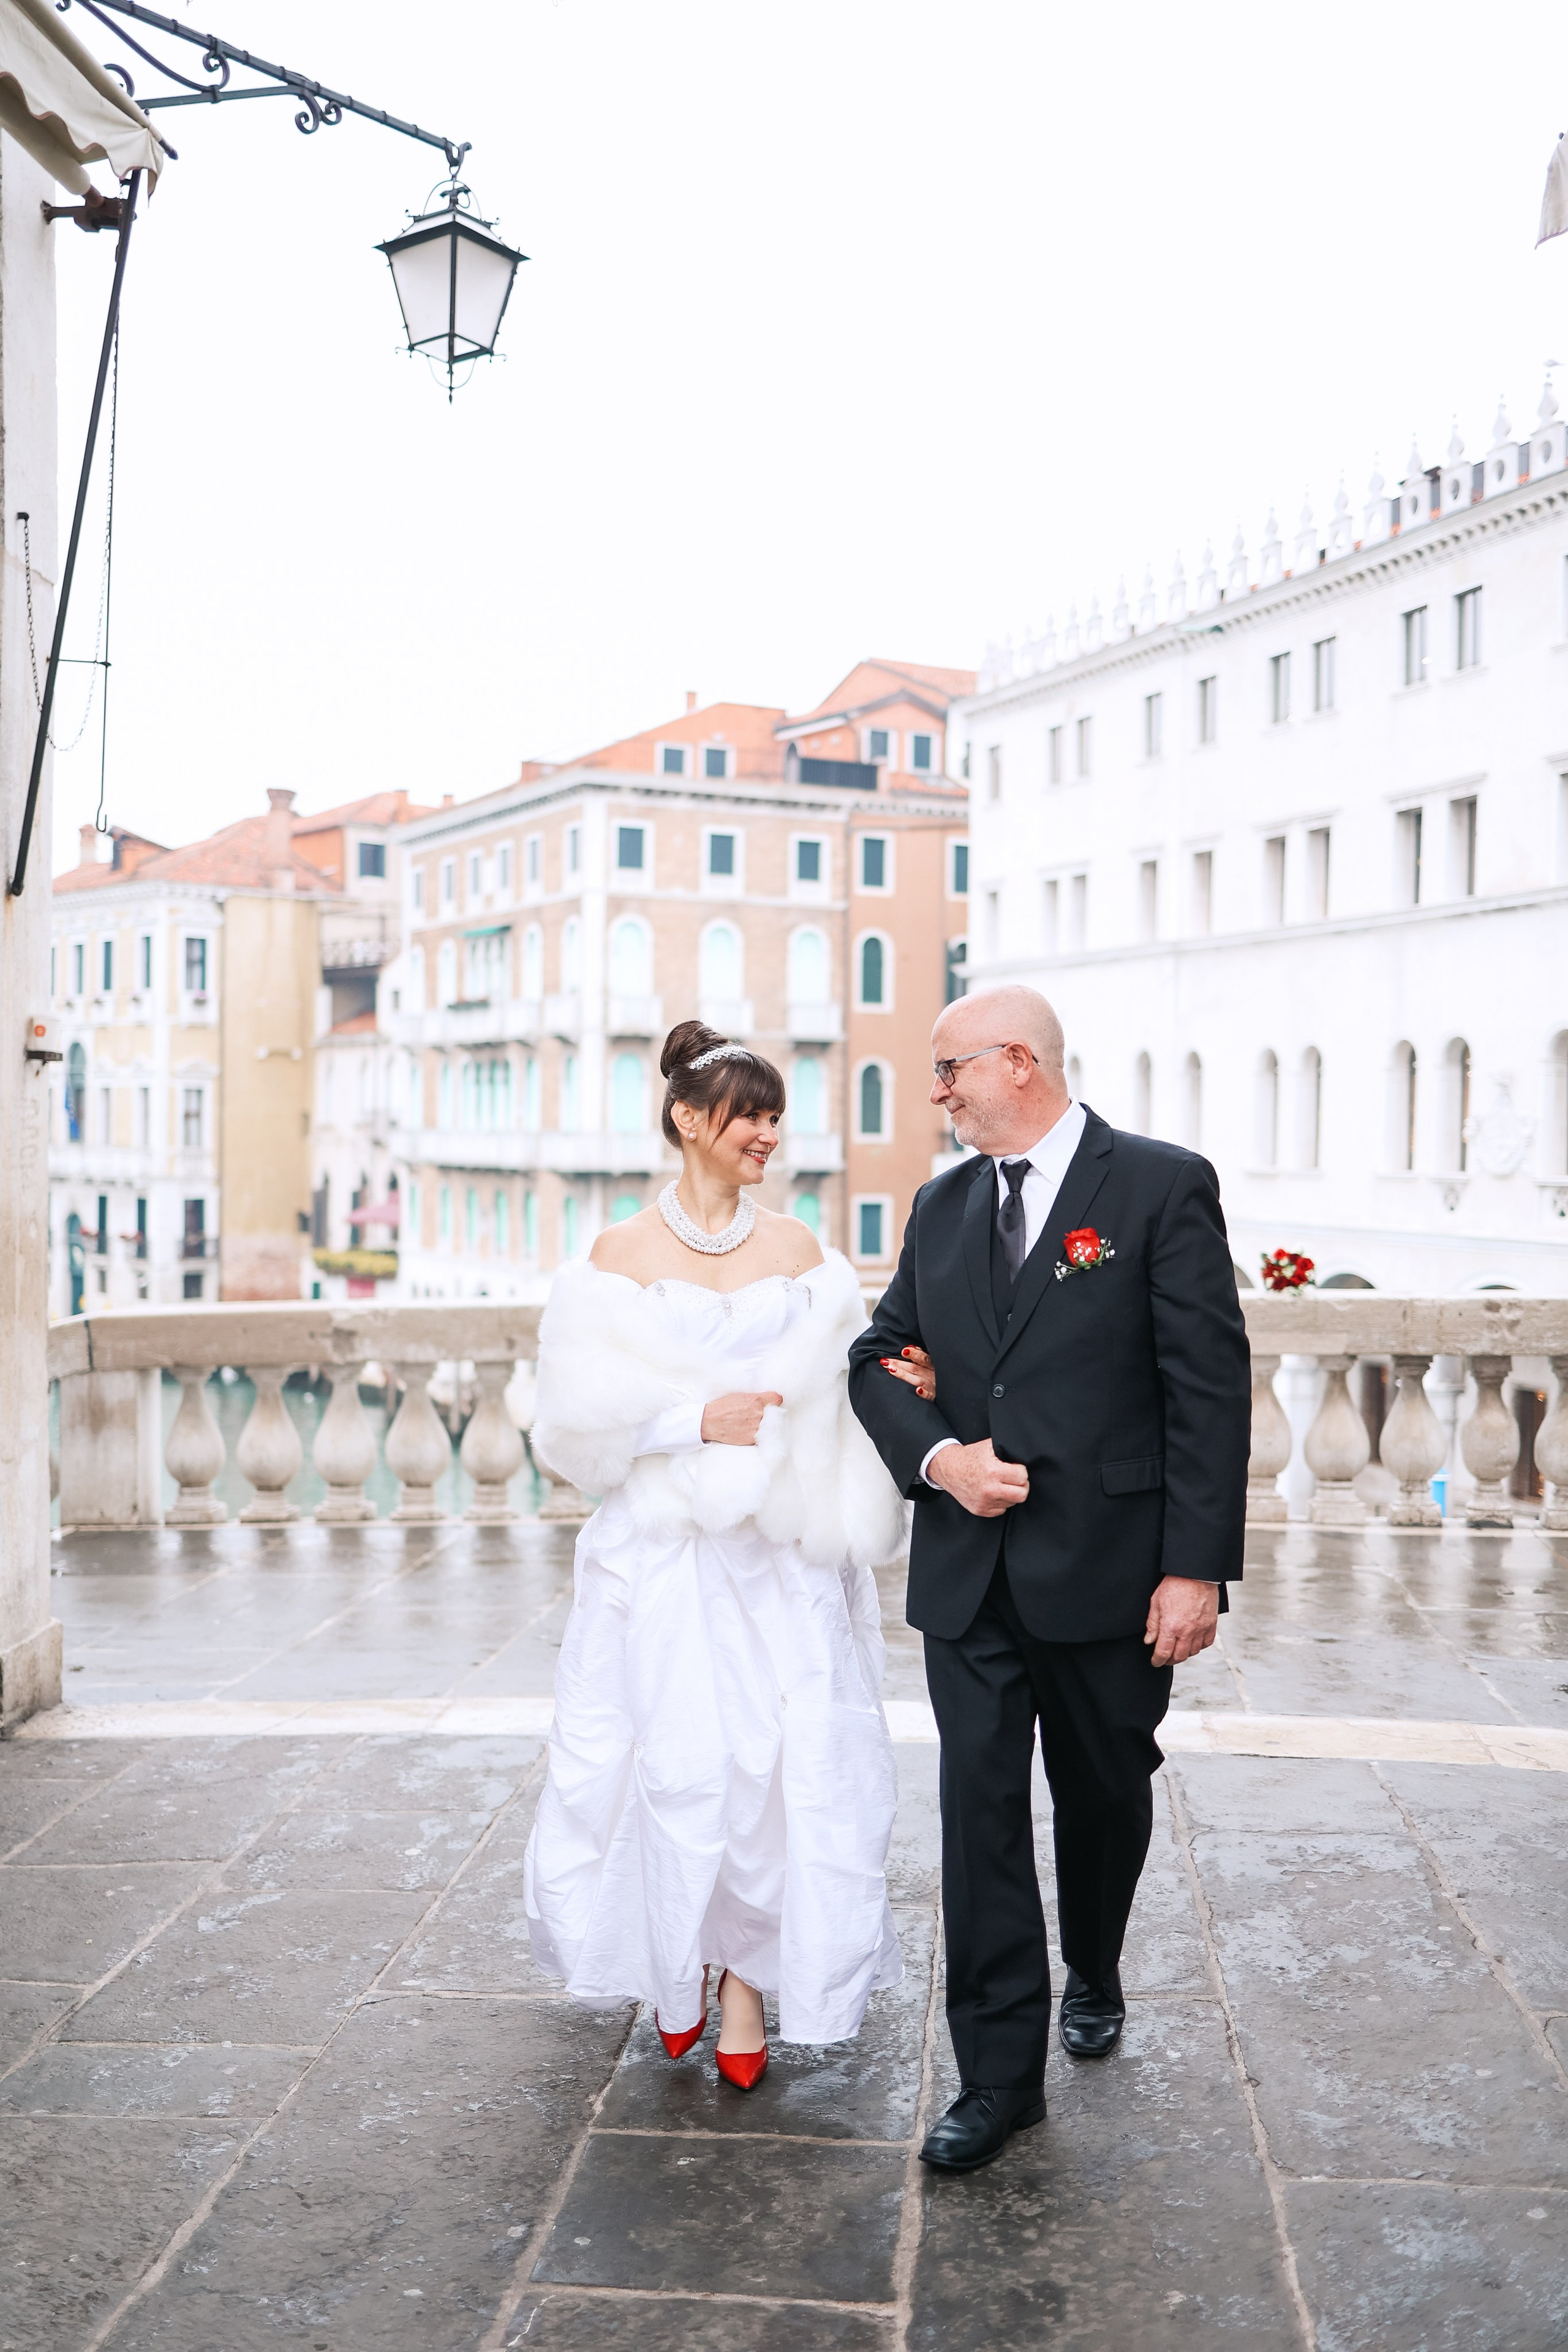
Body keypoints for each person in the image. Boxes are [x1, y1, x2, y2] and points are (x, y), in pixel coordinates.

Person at [848, 985, 1250, 2172]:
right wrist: (942, 1460)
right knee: (976, 1817)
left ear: (1016, 1061)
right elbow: (877, 1355)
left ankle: (1096, 1963)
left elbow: (1207, 1390)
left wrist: (1193, 1570)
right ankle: (996, 2078)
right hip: (968, 1578)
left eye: (949, 1069)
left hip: (1112, 1572)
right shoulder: (940, 1205)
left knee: (1104, 1794)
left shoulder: (1160, 1186)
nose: (937, 1092)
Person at [524, 1020, 906, 2087]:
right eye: (751, 1116)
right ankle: (673, 1962)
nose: (769, 1135)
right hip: (662, 1557)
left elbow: (842, 1392)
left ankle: (745, 1985)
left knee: (779, 1775)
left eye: (777, 1118)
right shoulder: (615, 1258)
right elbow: (572, 1427)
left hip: (783, 1558)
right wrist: (696, 1424)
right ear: (690, 1120)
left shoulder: (803, 1252)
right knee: (673, 1762)